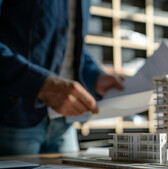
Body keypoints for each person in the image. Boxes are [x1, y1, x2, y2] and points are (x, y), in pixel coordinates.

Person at [0, 0, 124, 155]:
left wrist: (95, 76)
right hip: (14, 116)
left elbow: (71, 48)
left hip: (64, 122)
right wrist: (41, 84)